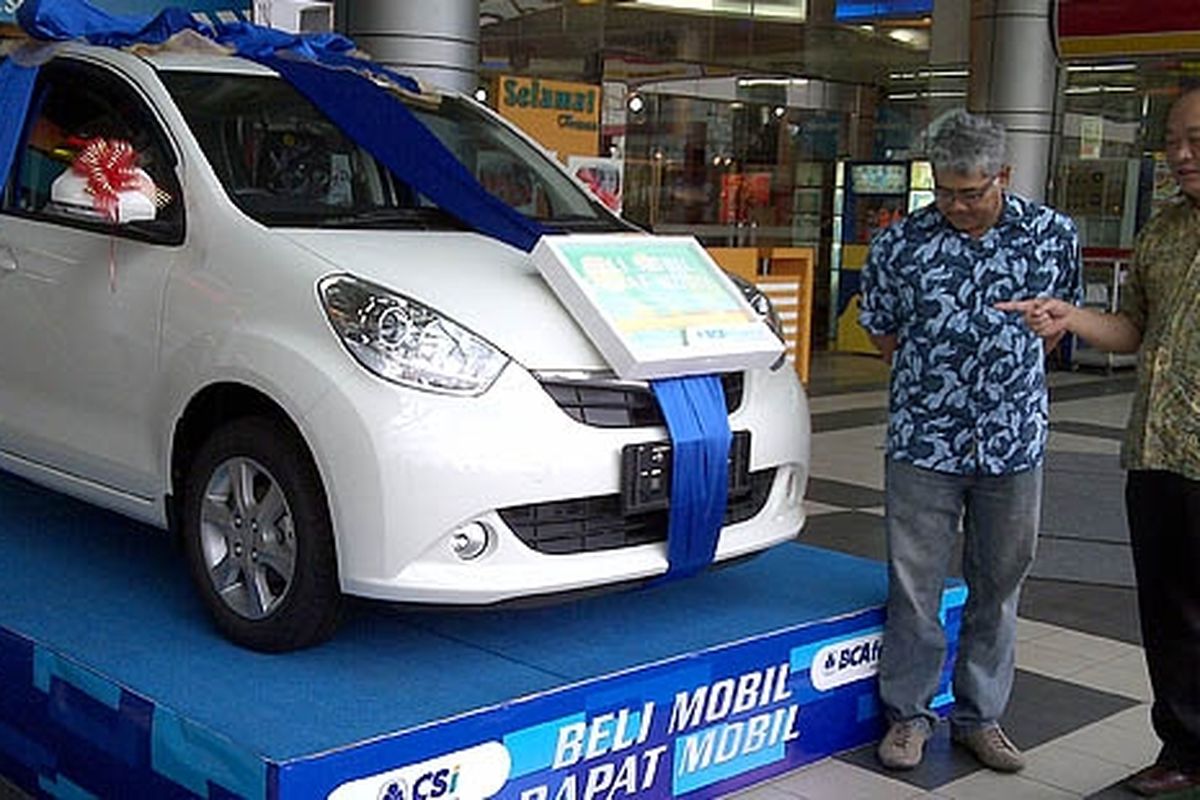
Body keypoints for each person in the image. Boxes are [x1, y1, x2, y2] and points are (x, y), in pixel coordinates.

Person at [858, 109, 1081, 773]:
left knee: (999, 584)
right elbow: (882, 331)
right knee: (915, 587)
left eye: (971, 192)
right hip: (925, 443)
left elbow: (1060, 324)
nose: (955, 205)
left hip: (1013, 445)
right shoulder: (902, 244)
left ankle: (981, 717)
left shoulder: (1050, 234)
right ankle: (909, 716)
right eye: (944, 191)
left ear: (1003, 176)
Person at [998, 86, 1200, 797]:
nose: (1178, 155)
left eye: (1195, 141)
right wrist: (1070, 318)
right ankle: (1185, 746)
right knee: (1170, 610)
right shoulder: (1166, 229)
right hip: (1157, 453)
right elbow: (1134, 330)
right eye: (1172, 141)